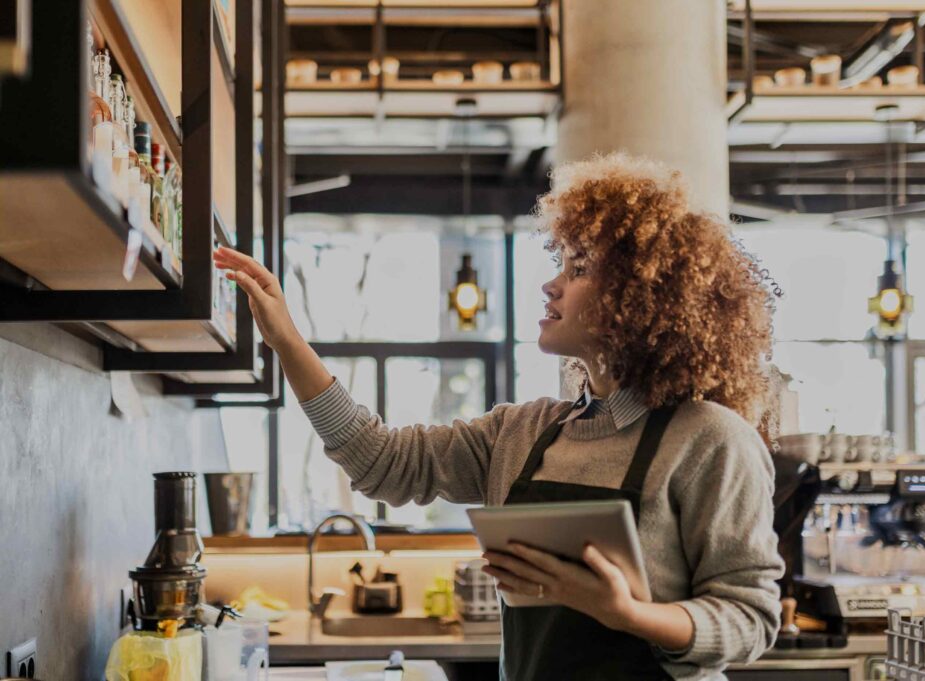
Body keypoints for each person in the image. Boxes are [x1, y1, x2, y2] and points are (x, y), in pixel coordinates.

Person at [214, 152, 785, 680]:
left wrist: (631, 614)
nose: (551, 283)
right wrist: (286, 340)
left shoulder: (710, 440)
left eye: (578, 268)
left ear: (642, 295)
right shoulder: (522, 432)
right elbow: (381, 462)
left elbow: (749, 619)